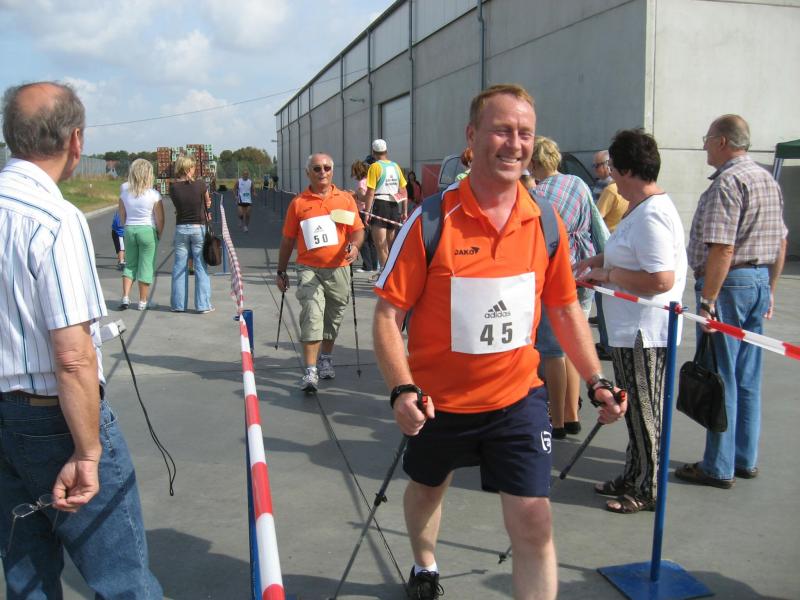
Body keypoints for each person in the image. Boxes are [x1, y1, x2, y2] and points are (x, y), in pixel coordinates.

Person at [373, 84, 626, 600]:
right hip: (439, 403)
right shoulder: (431, 220)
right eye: (502, 130)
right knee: (427, 490)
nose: (515, 144)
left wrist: (597, 378)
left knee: (534, 522)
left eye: (525, 133)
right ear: (472, 136)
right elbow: (387, 315)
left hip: (517, 402)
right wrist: (401, 389)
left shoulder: (545, 222)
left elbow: (564, 308)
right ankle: (424, 564)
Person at [0, 81, 161, 598]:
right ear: (76, 141)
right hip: (49, 417)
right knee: (122, 577)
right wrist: (88, 452)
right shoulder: (54, 219)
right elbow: (72, 356)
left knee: (25, 572)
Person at [577, 129, 687, 513]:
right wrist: (596, 262)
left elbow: (661, 280)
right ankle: (635, 473)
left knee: (644, 411)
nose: (610, 177)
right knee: (636, 408)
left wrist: (608, 275)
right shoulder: (640, 208)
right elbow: (627, 255)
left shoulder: (652, 214)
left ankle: (647, 487)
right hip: (632, 330)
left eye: (612, 170)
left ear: (626, 170)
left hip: (645, 330)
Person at [675, 115, 787, 489]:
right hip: (756, 280)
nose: (705, 145)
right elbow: (781, 242)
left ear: (722, 141)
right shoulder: (766, 180)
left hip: (729, 285)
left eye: (708, 139)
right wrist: (770, 287)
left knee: (721, 375)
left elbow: (722, 247)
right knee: (747, 376)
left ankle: (718, 465)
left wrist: (708, 300)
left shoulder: (727, 182)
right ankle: (743, 457)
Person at [276, 153, 364, 392]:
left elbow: (357, 230)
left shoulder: (345, 199)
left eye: (326, 168)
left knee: (332, 318)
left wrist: (355, 246)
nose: (322, 172)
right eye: (317, 168)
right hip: (309, 269)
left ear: (332, 171)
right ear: (308, 173)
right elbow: (287, 240)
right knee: (312, 314)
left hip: (339, 268)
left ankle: (326, 358)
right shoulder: (298, 203)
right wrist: (281, 271)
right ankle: (310, 370)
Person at [529, 136, 597, 439]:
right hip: (583, 266)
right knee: (572, 345)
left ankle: (555, 420)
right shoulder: (579, 184)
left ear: (533, 163)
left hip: (557, 271)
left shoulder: (537, 195)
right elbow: (596, 224)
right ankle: (572, 414)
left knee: (552, 350)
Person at [169, 155, 214, 313]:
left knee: (179, 267)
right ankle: (203, 305)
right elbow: (207, 202)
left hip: (181, 228)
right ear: (189, 168)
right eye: (193, 167)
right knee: (200, 266)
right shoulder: (200, 185)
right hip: (198, 228)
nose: (195, 170)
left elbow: (178, 207)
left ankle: (178, 305)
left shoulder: (173, 187)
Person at [118, 158, 164, 311]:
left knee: (130, 264)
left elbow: (122, 216)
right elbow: (160, 219)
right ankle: (143, 301)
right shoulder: (154, 194)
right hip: (147, 230)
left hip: (130, 229)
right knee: (146, 265)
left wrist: (126, 227)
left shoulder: (125, 194)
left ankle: (125, 297)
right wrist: (159, 233)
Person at [363, 139, 407, 277]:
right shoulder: (395, 166)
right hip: (394, 205)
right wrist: (404, 211)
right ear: (386, 151)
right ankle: (392, 274)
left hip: (380, 204)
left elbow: (370, 192)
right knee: (391, 245)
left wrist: (367, 212)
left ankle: (385, 275)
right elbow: (403, 190)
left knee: (380, 245)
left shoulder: (375, 167)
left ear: (373, 152)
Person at [351, 159, 378, 273]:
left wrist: (356, 195)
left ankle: (367, 266)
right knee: (372, 240)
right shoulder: (371, 181)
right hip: (373, 211)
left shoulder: (362, 182)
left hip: (363, 211)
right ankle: (374, 265)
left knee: (364, 240)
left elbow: (364, 197)